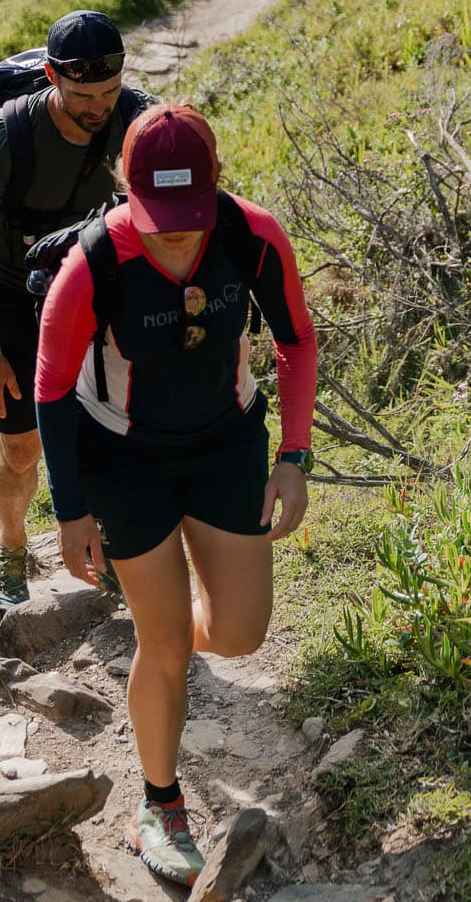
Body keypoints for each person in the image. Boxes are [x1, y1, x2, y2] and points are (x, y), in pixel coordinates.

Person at [34, 101, 317, 889]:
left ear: (216, 184)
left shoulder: (251, 235)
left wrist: (292, 456)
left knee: (236, 636)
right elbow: (51, 390)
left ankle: (163, 629)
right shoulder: (91, 262)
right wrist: (70, 509)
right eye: (155, 218)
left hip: (226, 444)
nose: (173, 235)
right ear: (125, 189)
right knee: (161, 643)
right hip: (122, 459)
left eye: (186, 216)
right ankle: (158, 804)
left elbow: (295, 340)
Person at [0, 8, 143, 611]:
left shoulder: (135, 120)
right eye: (83, 95)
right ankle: (12, 546)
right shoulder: (3, 143)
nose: (98, 108)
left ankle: (110, 543)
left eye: (109, 92)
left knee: (111, 426)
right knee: (22, 444)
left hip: (96, 286)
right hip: (14, 294)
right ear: (50, 76)